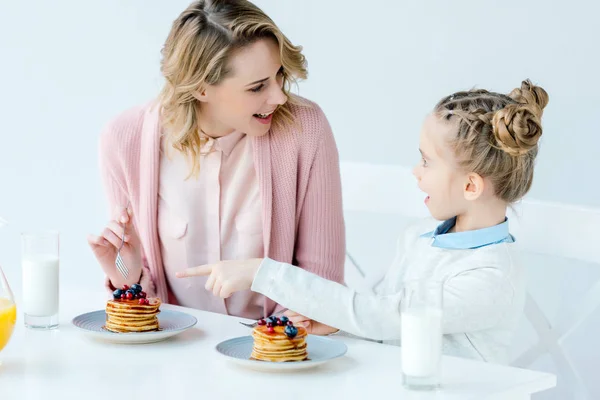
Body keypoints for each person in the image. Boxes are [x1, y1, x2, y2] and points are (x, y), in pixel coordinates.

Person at [177, 80, 549, 364]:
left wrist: (265, 272)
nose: (416, 172)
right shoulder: (418, 237)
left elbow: (384, 316)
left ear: (470, 185)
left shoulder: (491, 277)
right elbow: (383, 321)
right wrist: (336, 322)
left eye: (427, 161)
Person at [87, 0, 345, 320]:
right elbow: (143, 301)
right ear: (201, 89)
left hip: (270, 356)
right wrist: (126, 276)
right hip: (170, 353)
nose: (279, 96)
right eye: (257, 87)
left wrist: (269, 349)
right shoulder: (125, 139)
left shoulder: (304, 128)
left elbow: (322, 285)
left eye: (279, 75)